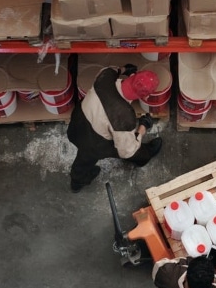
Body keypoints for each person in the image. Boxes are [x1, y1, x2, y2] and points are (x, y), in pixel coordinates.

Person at [66, 64, 163, 193]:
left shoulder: (105, 76)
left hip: (77, 125)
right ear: (145, 97)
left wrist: (123, 69)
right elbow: (126, 151)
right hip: (94, 142)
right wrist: (143, 127)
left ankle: (77, 183)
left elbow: (112, 69)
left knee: (84, 158)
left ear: (132, 76)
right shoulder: (124, 116)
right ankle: (143, 159)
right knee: (134, 149)